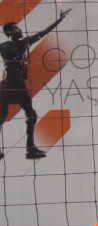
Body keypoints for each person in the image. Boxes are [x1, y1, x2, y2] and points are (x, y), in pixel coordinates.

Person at [0, 8, 70, 160]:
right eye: (16, 28)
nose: (20, 30)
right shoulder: (10, 45)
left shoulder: (19, 43)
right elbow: (43, 32)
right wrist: (61, 19)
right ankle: (30, 148)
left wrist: (60, 19)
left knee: (13, 115)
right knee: (14, 115)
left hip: (12, 82)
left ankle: (30, 148)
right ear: (10, 32)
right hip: (12, 81)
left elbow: (44, 32)